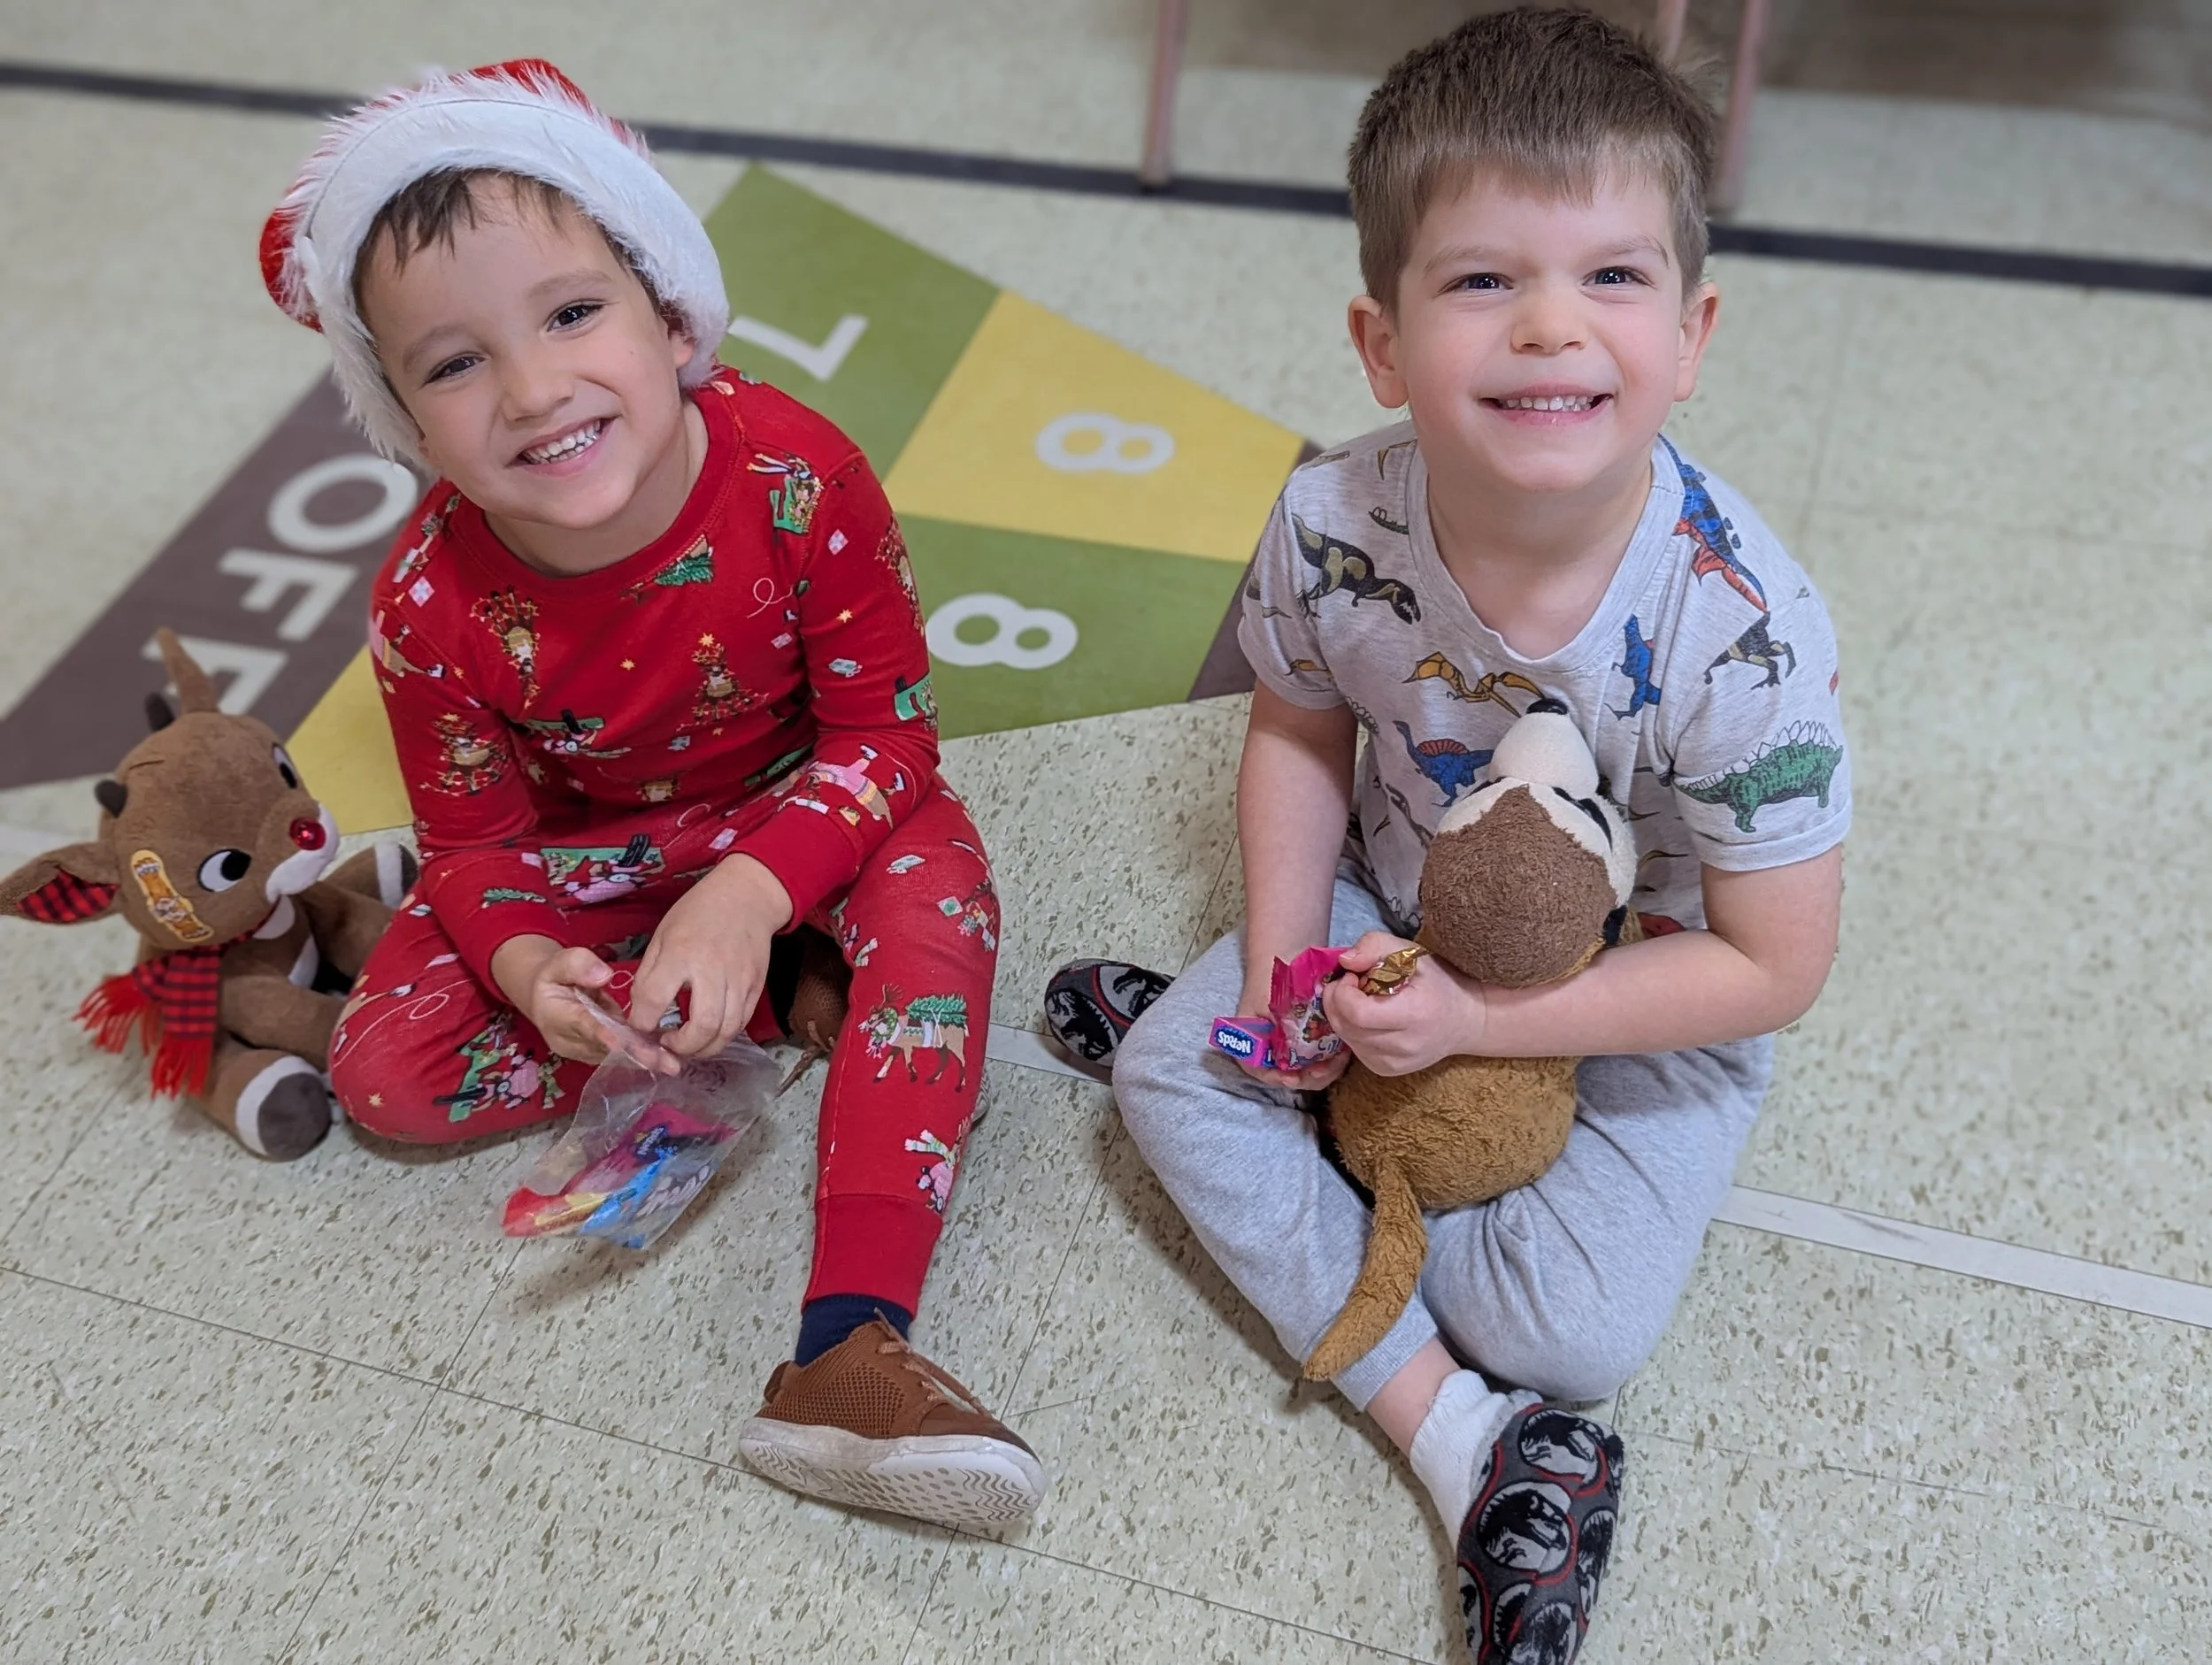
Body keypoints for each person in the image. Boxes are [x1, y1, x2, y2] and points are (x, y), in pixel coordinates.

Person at [1101, 11, 1849, 1658]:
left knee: (1569, 1325)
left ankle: (1395, 1243)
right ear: (1381, 344)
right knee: (1169, 1078)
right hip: (1394, 900)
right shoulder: (1328, 520)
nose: (1550, 330)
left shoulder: (1747, 630)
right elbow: (1298, 722)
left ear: (1694, 327)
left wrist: (1485, 1025)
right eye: (1483, 280)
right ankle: (1464, 1436)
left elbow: (1774, 964)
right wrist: (1295, 953)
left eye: (1612, 277)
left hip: (1644, 977)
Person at [262, 59, 1043, 1531]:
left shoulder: (802, 476)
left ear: (672, 316)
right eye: (453, 363)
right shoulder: (427, 601)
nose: (535, 390)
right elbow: (478, 842)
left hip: (818, 802)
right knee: (383, 1075)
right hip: (602, 857)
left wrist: (752, 890)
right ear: (406, 421)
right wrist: (529, 968)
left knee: (940, 911)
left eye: (570, 314)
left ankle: (846, 1344)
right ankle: (757, 1002)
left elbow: (889, 741)